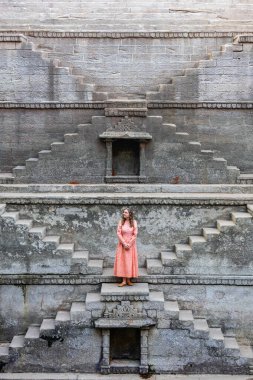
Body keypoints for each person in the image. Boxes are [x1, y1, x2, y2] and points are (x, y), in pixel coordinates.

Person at [114, 208, 138, 287]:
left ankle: (128, 279)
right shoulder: (121, 222)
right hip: (122, 244)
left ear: (129, 214)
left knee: (129, 261)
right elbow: (118, 233)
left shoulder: (134, 222)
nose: (124, 213)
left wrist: (129, 243)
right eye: (123, 212)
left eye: (126, 212)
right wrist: (124, 243)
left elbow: (135, 234)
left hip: (131, 245)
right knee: (123, 261)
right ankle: (124, 280)